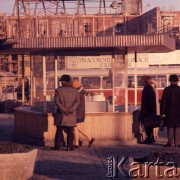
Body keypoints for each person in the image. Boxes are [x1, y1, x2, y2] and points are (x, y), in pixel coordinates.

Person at [54, 74, 80, 151]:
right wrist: (71, 109)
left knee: (59, 130)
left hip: (61, 113)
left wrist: (63, 109)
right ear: (69, 82)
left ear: (63, 82)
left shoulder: (58, 90)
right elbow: (77, 102)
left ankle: (57, 146)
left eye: (61, 81)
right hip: (71, 114)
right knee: (70, 131)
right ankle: (69, 146)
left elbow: (57, 101)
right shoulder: (75, 91)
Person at [72, 79, 95, 147]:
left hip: (77, 112)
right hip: (80, 112)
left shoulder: (78, 93)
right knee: (77, 127)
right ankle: (89, 138)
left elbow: (75, 103)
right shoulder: (81, 92)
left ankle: (77, 142)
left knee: (75, 127)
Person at [160, 74, 180, 148]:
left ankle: (170, 143)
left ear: (170, 81)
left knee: (170, 127)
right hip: (178, 112)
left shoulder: (167, 89)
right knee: (178, 127)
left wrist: (162, 112)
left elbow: (163, 102)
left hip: (169, 112)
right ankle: (177, 143)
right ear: (177, 81)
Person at [139, 75, 156, 144]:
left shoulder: (147, 88)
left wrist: (144, 112)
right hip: (150, 110)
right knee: (149, 125)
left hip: (147, 111)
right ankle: (151, 138)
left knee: (147, 125)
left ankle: (149, 139)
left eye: (141, 80)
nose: (141, 82)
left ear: (145, 81)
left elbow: (146, 102)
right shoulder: (150, 88)